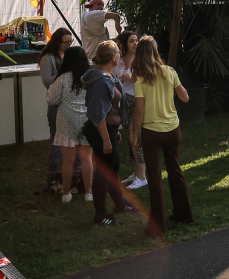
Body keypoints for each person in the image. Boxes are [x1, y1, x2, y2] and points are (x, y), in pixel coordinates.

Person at [132, 35, 193, 236]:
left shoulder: (139, 80)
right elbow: (185, 97)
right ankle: (184, 214)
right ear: (156, 52)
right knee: (175, 170)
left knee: (155, 177)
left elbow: (139, 112)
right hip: (172, 129)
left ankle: (157, 225)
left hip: (151, 133)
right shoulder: (169, 72)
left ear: (139, 55)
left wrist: (135, 133)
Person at [82, 41, 127, 226]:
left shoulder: (107, 75)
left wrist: (114, 130)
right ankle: (101, 214)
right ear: (113, 57)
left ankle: (120, 204)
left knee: (113, 166)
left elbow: (109, 107)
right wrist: (106, 139)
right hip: (101, 129)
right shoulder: (100, 81)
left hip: (108, 128)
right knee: (104, 171)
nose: (120, 55)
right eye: (118, 52)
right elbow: (98, 113)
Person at [47, 46, 94, 206]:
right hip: (87, 120)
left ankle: (66, 194)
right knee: (87, 158)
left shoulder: (63, 78)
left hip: (66, 120)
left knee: (68, 161)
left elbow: (51, 100)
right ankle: (89, 192)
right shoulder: (90, 77)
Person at [112, 31, 148, 193]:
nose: (135, 43)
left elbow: (147, 80)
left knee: (136, 137)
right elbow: (112, 78)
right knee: (130, 136)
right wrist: (119, 79)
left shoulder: (141, 60)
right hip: (124, 100)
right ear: (125, 44)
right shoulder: (118, 60)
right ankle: (137, 172)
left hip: (137, 99)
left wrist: (131, 76)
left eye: (137, 40)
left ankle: (142, 177)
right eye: (132, 41)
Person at [38, 28, 73, 192]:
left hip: (71, 103)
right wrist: (63, 74)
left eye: (70, 42)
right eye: (66, 42)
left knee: (74, 140)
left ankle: (73, 177)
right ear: (58, 42)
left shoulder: (70, 55)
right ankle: (53, 177)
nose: (68, 44)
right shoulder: (48, 58)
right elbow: (46, 81)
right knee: (56, 141)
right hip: (56, 104)